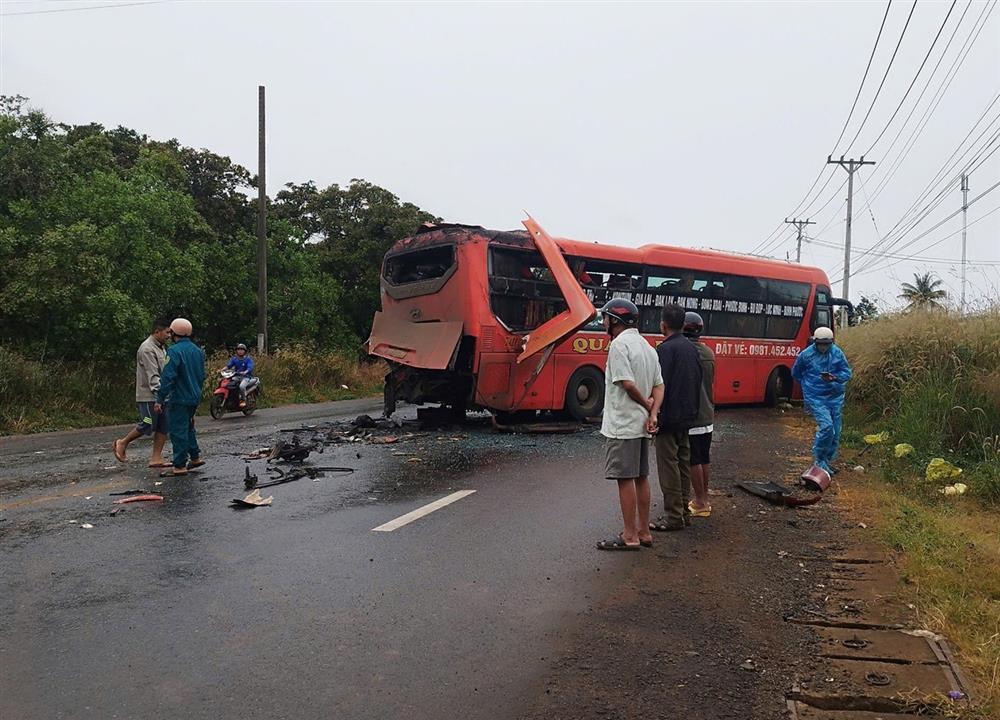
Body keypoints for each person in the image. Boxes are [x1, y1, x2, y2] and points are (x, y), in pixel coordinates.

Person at [596, 298, 664, 551]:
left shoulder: (619, 345)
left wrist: (647, 405)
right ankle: (644, 532)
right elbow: (659, 385)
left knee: (625, 478)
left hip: (623, 423)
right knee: (641, 477)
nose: (603, 322)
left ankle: (630, 535)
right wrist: (653, 413)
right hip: (642, 425)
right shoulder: (648, 347)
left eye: (605, 318)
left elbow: (626, 383)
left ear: (615, 320)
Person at [649, 303, 702, 531]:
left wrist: (654, 414)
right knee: (682, 463)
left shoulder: (664, 350)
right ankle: (683, 511)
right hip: (688, 416)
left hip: (669, 417)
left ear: (663, 325)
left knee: (668, 466)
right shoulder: (692, 348)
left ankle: (673, 516)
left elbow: (659, 385)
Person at [791, 326, 853, 475]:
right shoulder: (806, 355)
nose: (824, 347)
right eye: (821, 344)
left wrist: (835, 377)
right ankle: (819, 460)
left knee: (835, 432)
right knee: (827, 427)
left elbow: (847, 372)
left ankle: (826, 461)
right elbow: (796, 372)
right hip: (816, 397)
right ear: (815, 342)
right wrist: (809, 385)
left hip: (834, 396)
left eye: (827, 344)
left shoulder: (837, 353)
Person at [113, 318, 172, 467]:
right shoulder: (147, 349)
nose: (169, 336)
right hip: (149, 396)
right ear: (157, 331)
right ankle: (123, 442)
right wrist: (160, 396)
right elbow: (153, 376)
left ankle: (156, 458)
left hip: (163, 394)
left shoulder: (161, 347)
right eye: (167, 332)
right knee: (148, 422)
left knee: (164, 425)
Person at [155, 318, 207, 477]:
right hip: (194, 395)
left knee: (178, 430)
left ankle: (179, 465)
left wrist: (160, 398)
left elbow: (168, 377)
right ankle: (195, 456)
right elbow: (201, 375)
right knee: (189, 426)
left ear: (174, 333)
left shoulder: (174, 351)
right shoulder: (197, 351)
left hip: (179, 397)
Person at [683, 312, 715, 518]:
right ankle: (704, 498)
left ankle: (700, 502)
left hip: (693, 415)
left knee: (693, 459)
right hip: (707, 414)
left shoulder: (686, 353)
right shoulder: (708, 352)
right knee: (704, 457)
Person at [225, 343, 255, 407]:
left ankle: (243, 400)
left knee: (241, 386)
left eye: (242, 350)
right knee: (228, 384)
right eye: (238, 349)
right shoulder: (234, 359)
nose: (240, 351)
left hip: (246, 377)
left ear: (245, 351)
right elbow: (228, 366)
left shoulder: (248, 359)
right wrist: (221, 370)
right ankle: (231, 399)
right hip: (236, 376)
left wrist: (245, 372)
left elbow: (250, 367)